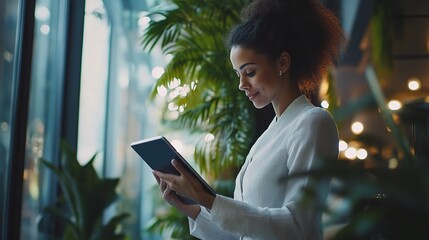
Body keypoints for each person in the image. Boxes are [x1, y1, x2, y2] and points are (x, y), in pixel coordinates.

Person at [152, 0, 345, 239]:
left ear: (282, 62)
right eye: (238, 74)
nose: (242, 85)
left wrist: (208, 199)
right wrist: (191, 208)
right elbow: (242, 234)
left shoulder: (313, 123)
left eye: (250, 72)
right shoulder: (268, 136)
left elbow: (298, 226)